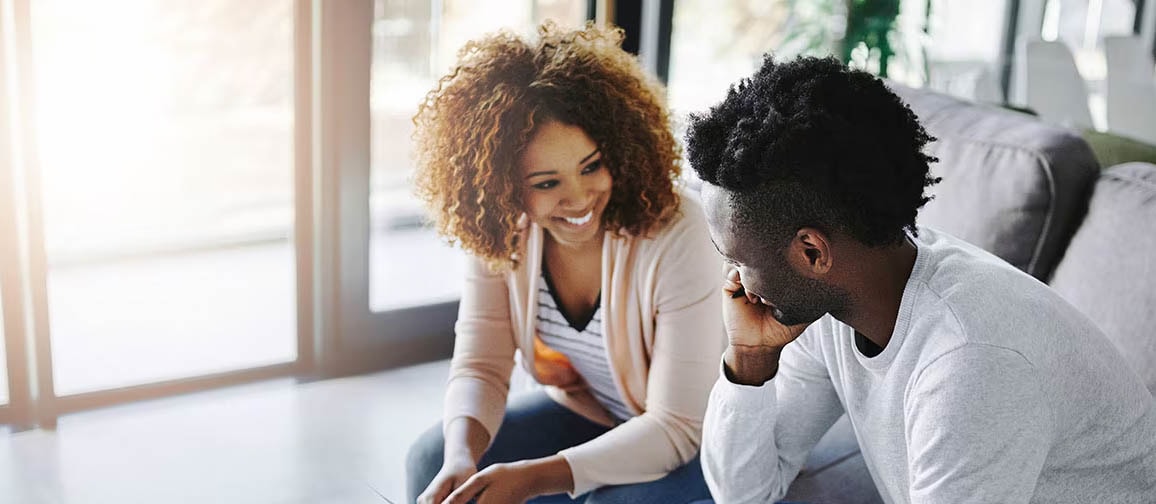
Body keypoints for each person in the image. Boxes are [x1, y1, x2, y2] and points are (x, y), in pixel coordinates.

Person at [685, 55, 1156, 503]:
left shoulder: (970, 361)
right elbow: (744, 492)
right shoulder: (839, 294)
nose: (735, 279)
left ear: (812, 252)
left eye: (738, 258)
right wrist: (749, 360)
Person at [405, 22, 725, 504]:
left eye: (592, 166)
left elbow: (678, 425)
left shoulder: (682, 232)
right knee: (431, 458)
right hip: (599, 415)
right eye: (546, 183)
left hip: (706, 439)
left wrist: (534, 478)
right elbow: (481, 367)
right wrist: (460, 458)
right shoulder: (502, 231)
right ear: (503, 186)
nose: (579, 199)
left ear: (619, 148)